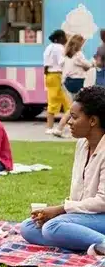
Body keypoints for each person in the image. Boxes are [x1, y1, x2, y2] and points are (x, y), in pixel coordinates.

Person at [20, 86, 105, 255]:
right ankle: (91, 244)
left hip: (101, 216)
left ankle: (100, 242)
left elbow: (102, 201)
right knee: (29, 227)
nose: (68, 122)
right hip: (86, 216)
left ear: (92, 121)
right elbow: (80, 193)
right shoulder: (82, 144)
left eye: (74, 117)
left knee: (53, 226)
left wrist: (61, 210)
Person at [54, 34, 94, 138]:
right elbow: (87, 65)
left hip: (68, 82)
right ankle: (60, 128)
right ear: (79, 44)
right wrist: (93, 62)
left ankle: (62, 128)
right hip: (77, 82)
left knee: (74, 106)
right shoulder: (79, 54)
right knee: (77, 106)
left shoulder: (67, 55)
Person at [44, 30, 69, 135]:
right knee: (58, 102)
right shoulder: (59, 47)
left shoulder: (48, 47)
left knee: (63, 101)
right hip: (56, 75)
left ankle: (60, 125)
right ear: (59, 38)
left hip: (49, 75)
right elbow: (61, 61)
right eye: (64, 37)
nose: (66, 39)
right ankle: (50, 127)